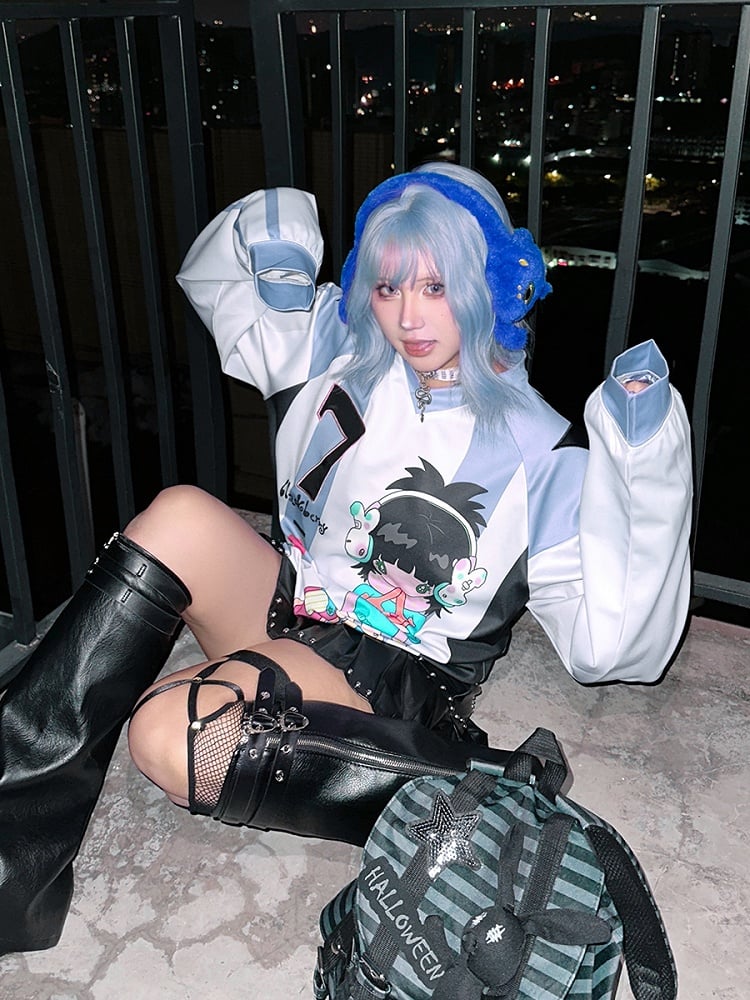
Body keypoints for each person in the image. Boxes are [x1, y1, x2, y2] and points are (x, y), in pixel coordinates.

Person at [0, 162, 693, 957]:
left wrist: (642, 465)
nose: (409, 316)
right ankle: (12, 858)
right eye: (388, 287)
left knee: (166, 733)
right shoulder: (342, 357)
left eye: (436, 286)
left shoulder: (544, 453)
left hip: (390, 677)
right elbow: (236, 267)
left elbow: (613, 648)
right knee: (180, 514)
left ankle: (442, 781)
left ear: (492, 285)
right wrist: (284, 259)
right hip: (290, 609)